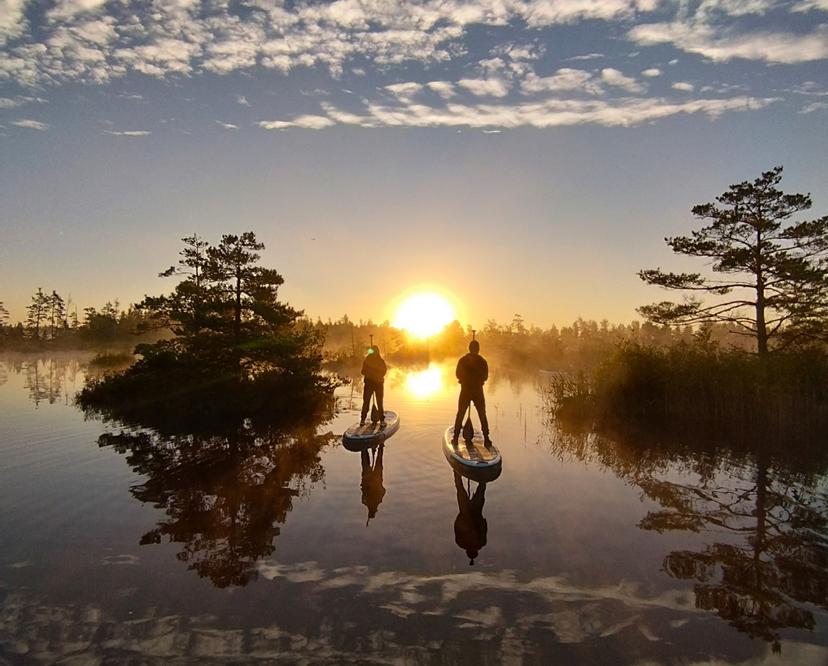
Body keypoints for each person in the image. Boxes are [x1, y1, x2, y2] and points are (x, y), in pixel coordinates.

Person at [452, 339, 491, 445]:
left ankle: (455, 438)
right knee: (482, 414)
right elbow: (485, 377)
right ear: (478, 349)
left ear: (469, 349)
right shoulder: (482, 361)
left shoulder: (463, 360)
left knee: (460, 413)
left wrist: (464, 380)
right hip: (477, 391)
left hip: (466, 390)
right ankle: (486, 439)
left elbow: (457, 374)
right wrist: (478, 381)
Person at [453, 471, 487, 565]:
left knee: (464, 489)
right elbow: (484, 525)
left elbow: (484, 524)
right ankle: (457, 470)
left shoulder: (462, 542)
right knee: (479, 489)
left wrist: (462, 517)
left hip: (467, 513)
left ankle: (456, 469)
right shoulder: (462, 542)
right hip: (471, 513)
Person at [360, 344, 387, 426]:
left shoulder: (381, 361)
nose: (373, 353)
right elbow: (362, 371)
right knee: (366, 402)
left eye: (375, 351)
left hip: (378, 384)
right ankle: (362, 420)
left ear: (377, 352)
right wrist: (369, 372)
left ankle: (382, 420)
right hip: (369, 383)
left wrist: (375, 373)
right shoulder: (367, 360)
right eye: (372, 351)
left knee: (379, 402)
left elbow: (384, 372)